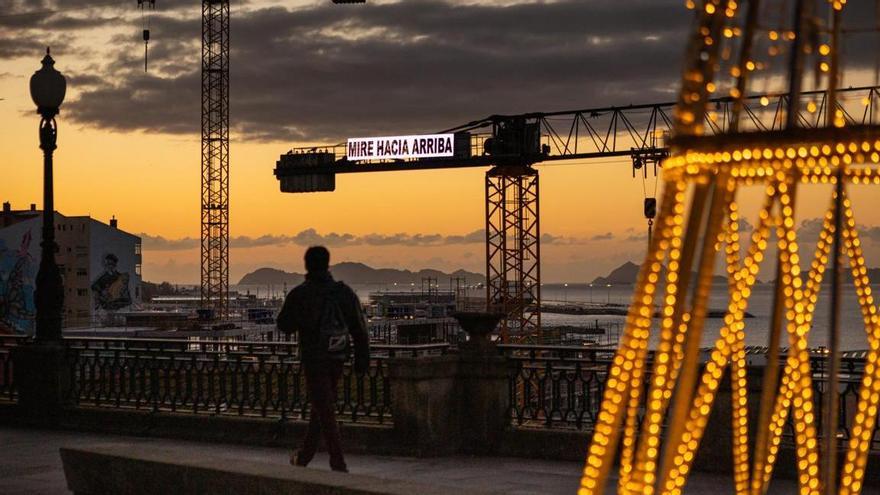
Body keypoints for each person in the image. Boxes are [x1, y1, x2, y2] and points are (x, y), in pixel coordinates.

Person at [276, 246, 370, 473]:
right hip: (337, 357)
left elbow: (284, 325)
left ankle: (338, 463)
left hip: (313, 358)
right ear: (328, 264)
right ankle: (304, 457)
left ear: (307, 265)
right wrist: (362, 359)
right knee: (322, 406)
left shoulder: (301, 294)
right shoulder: (343, 292)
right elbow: (359, 327)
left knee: (324, 408)